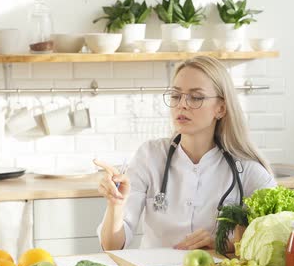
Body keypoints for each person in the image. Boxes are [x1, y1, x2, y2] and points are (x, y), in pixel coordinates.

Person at [95, 55, 276, 251]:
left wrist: (225, 244)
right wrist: (116, 206)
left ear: (221, 109)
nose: (182, 104)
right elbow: (112, 246)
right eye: (175, 95)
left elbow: (278, 237)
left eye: (196, 97)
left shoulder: (247, 170)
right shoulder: (150, 156)